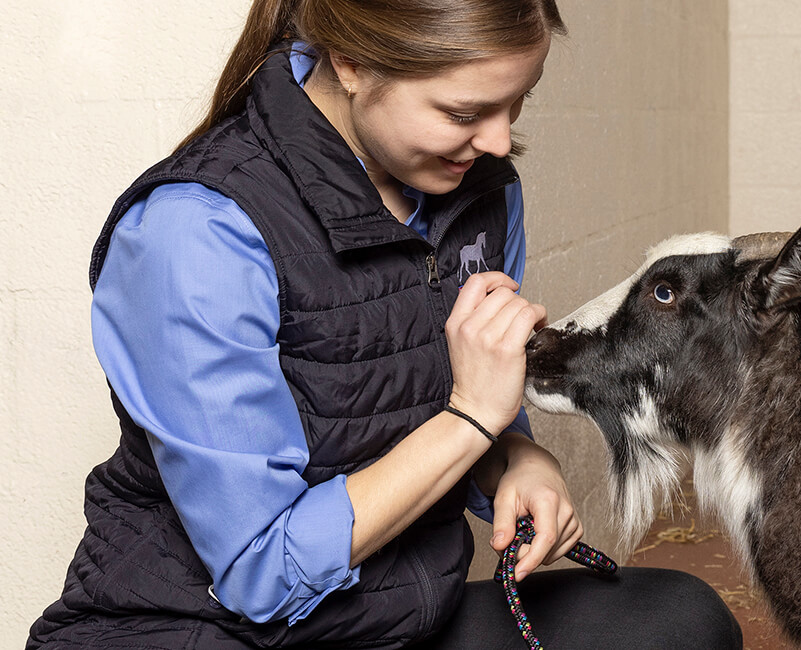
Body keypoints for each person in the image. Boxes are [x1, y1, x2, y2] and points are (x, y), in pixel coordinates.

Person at [28, 1, 742, 648]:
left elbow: (458, 400)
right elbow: (261, 572)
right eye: (465, 114)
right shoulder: (195, 233)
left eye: (517, 103)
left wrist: (517, 461)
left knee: (680, 622)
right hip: (203, 632)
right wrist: (471, 421)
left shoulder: (481, 193)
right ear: (353, 64)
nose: (498, 142)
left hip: (397, 621)